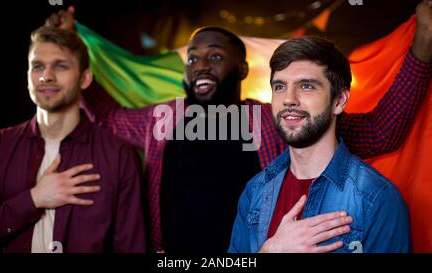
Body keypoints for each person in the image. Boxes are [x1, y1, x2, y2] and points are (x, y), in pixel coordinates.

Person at [46, 1, 432, 253]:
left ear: (242, 70)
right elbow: (109, 117)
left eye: (215, 57)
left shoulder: (274, 119)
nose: (200, 65)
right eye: (193, 58)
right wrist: (67, 48)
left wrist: (423, 46)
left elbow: (383, 131)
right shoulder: (162, 119)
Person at [229, 35, 411, 253]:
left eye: (306, 86)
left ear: (339, 101)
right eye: (279, 86)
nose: (288, 99)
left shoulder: (376, 197)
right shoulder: (256, 189)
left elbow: (382, 131)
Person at [0, 27, 146, 253]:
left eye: (60, 66)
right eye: (37, 66)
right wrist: (34, 199)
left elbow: (131, 247)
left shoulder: (119, 156)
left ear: (85, 78)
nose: (46, 76)